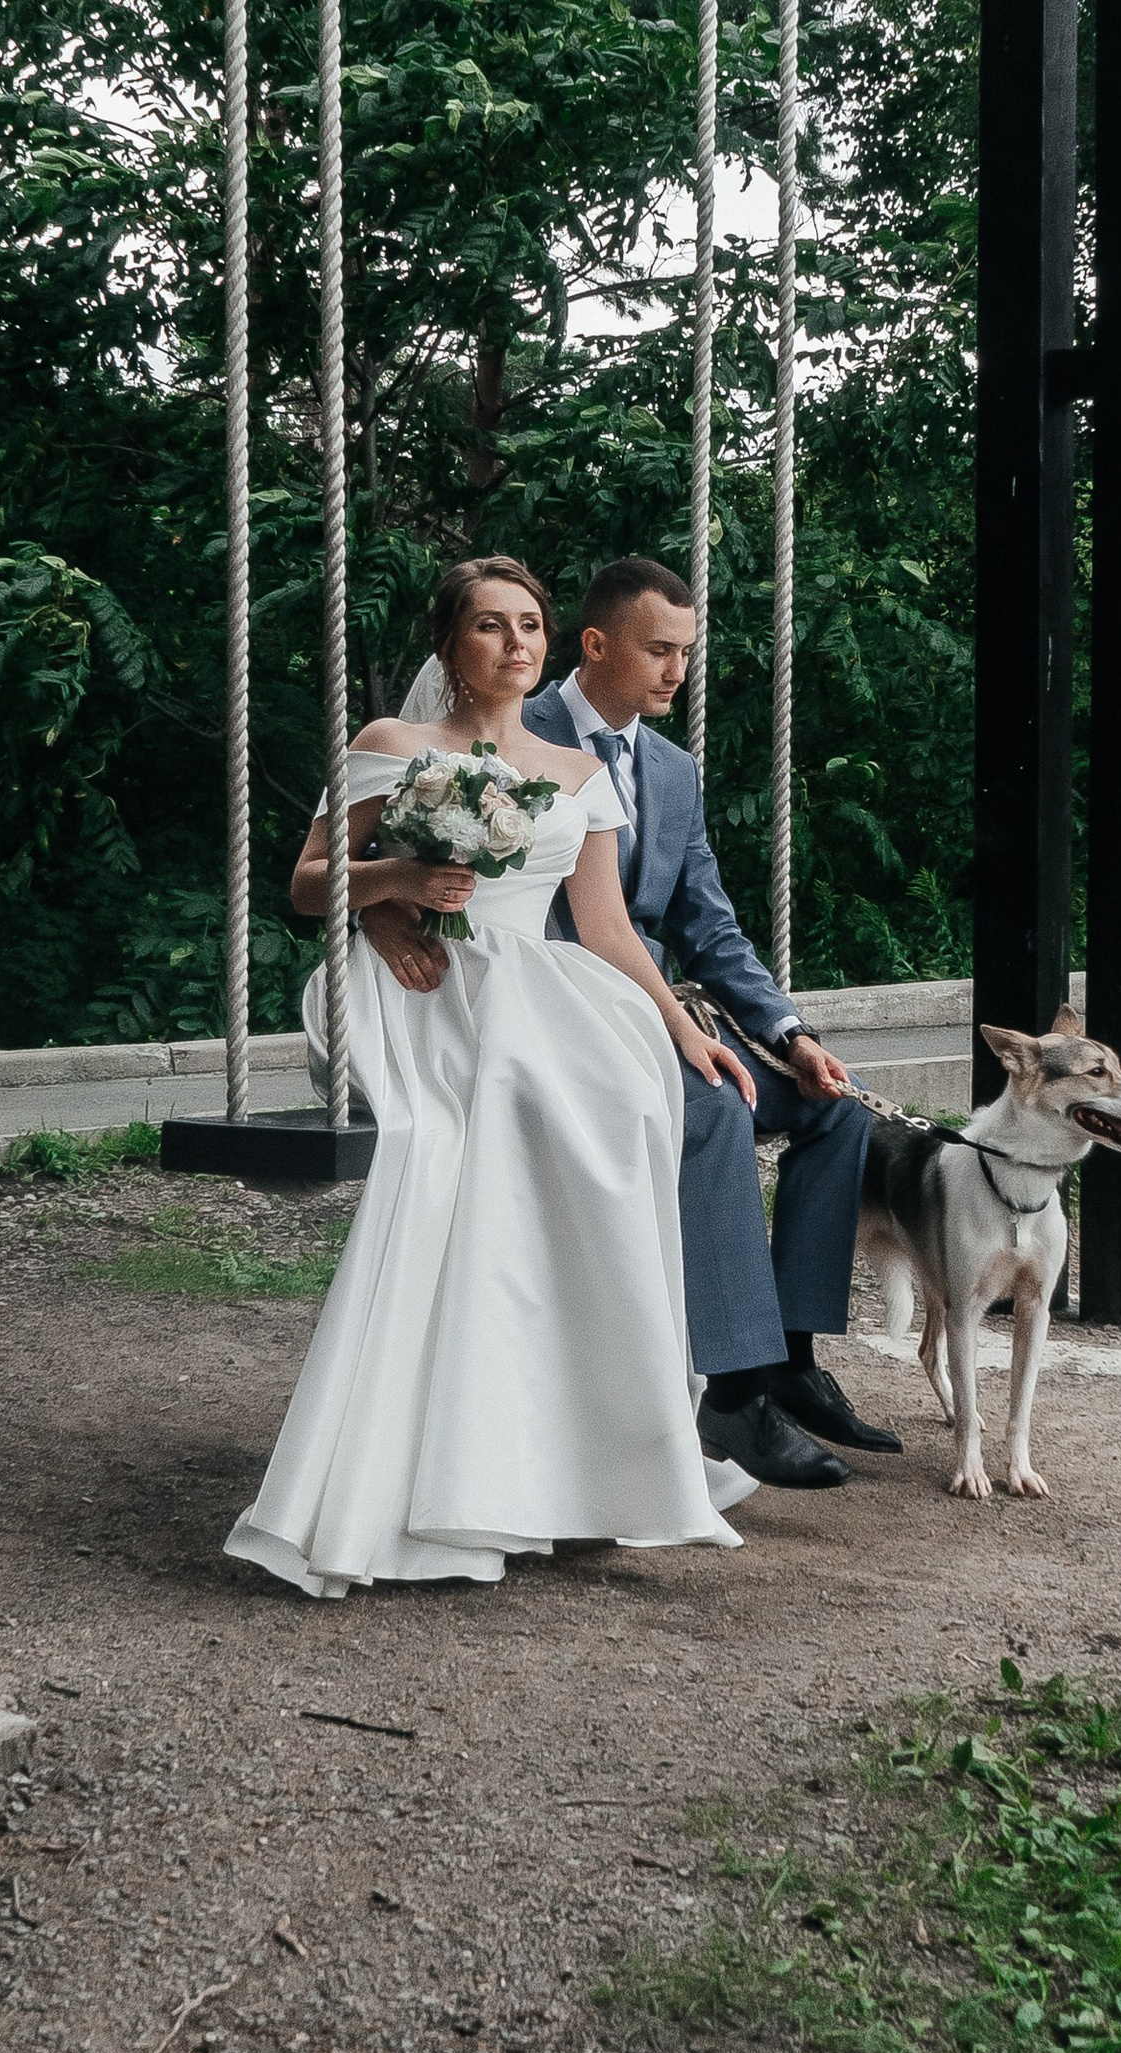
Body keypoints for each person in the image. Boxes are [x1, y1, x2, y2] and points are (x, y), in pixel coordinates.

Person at [222, 560, 758, 1598]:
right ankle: (448, 1469)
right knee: (486, 1115)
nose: (514, 645)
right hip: (416, 983)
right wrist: (397, 887)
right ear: (449, 645)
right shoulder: (392, 746)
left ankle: (580, 1459)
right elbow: (303, 884)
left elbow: (602, 927)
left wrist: (678, 1026)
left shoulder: (577, 771)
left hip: (536, 979)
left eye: (529, 626)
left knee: (620, 1100)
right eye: (487, 627)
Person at [377, 555, 893, 1493]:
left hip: (654, 999)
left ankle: (789, 1351)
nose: (676, 673)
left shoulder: (672, 769)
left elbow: (708, 921)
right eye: (660, 650)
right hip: (549, 999)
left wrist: (787, 1032)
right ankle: (733, 1388)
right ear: (597, 645)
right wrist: (384, 910)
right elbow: (386, 863)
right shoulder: (499, 724)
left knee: (835, 1108)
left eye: (687, 654)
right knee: (713, 1109)